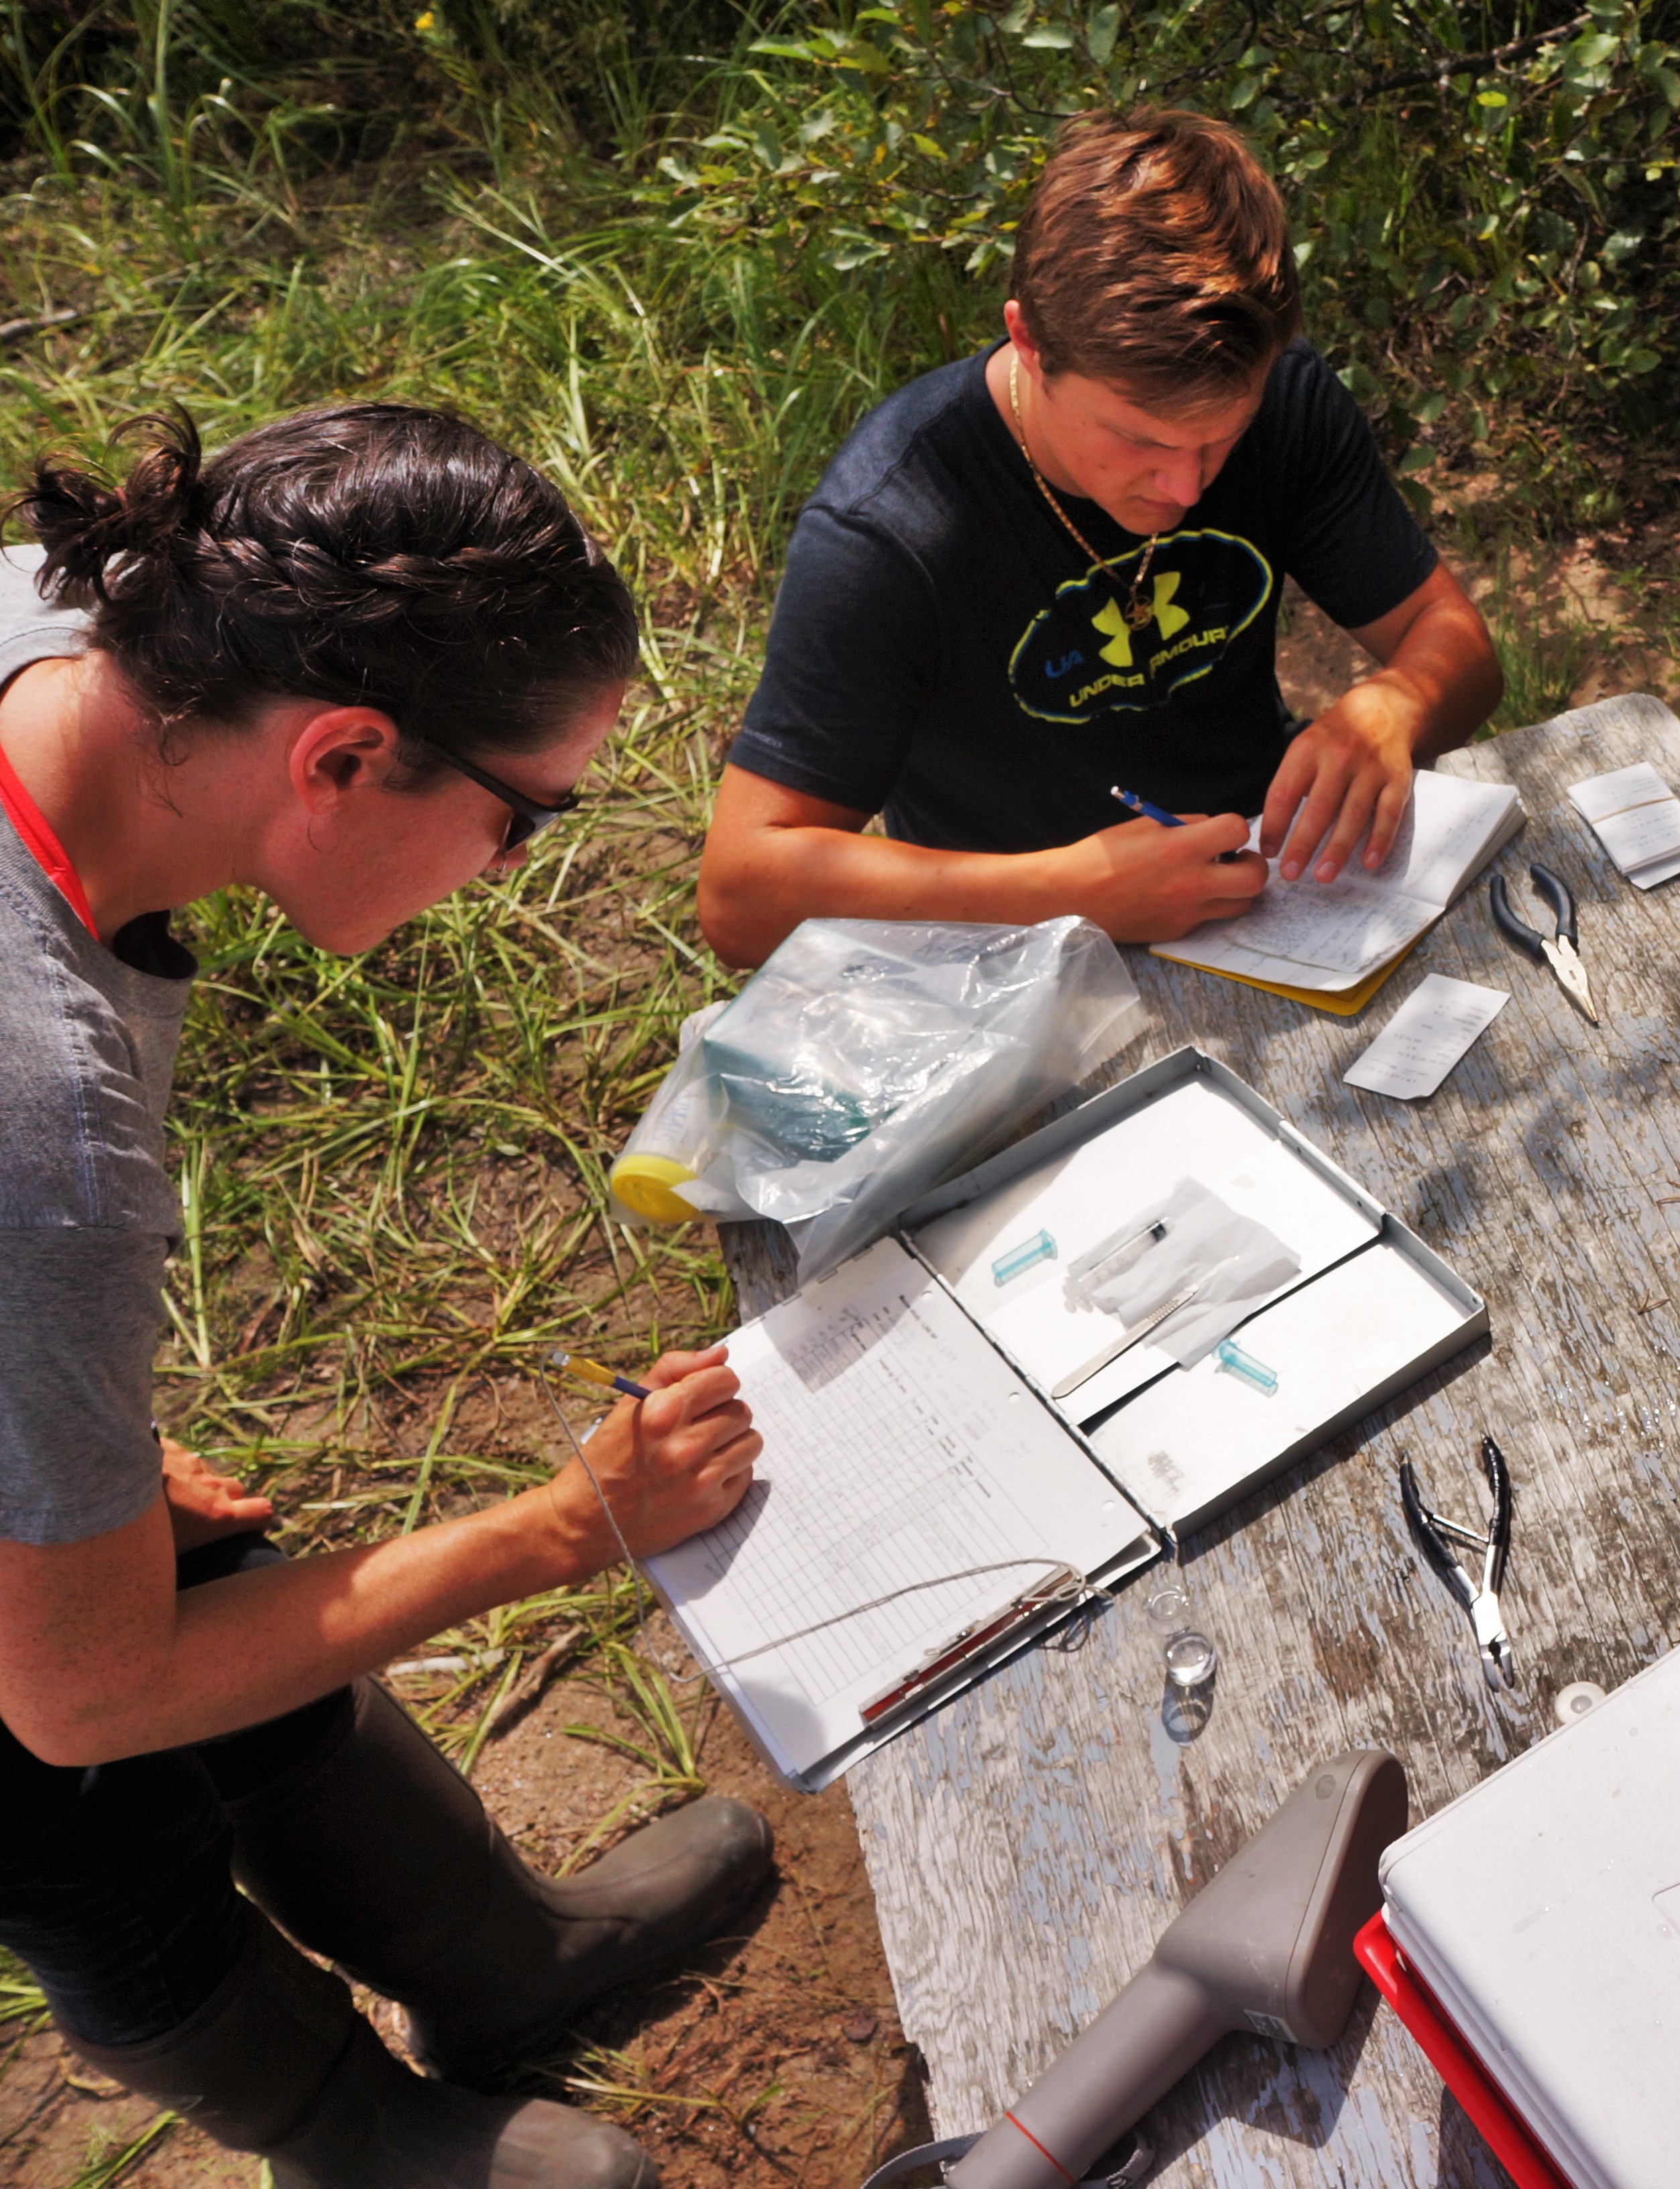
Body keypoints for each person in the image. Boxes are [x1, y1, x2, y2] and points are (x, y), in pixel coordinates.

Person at [0, 405, 773, 2189]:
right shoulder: (42, 1127)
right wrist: (565, 1525)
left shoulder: (79, 621)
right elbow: (79, 1700)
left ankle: (504, 1969)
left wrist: (65, 1443)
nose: (516, 874)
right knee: (59, 1790)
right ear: (345, 753)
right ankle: (345, 2138)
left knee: (179, 1558)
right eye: (522, 822)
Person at [697, 107, 1504, 968]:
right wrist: (1071, 894)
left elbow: (1461, 650)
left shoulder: (1288, 400)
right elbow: (741, 895)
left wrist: (1398, 703)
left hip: (1272, 891)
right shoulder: (890, 530)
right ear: (1029, 341)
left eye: (1222, 436)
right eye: (1142, 440)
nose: (1186, 486)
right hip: (1006, 956)